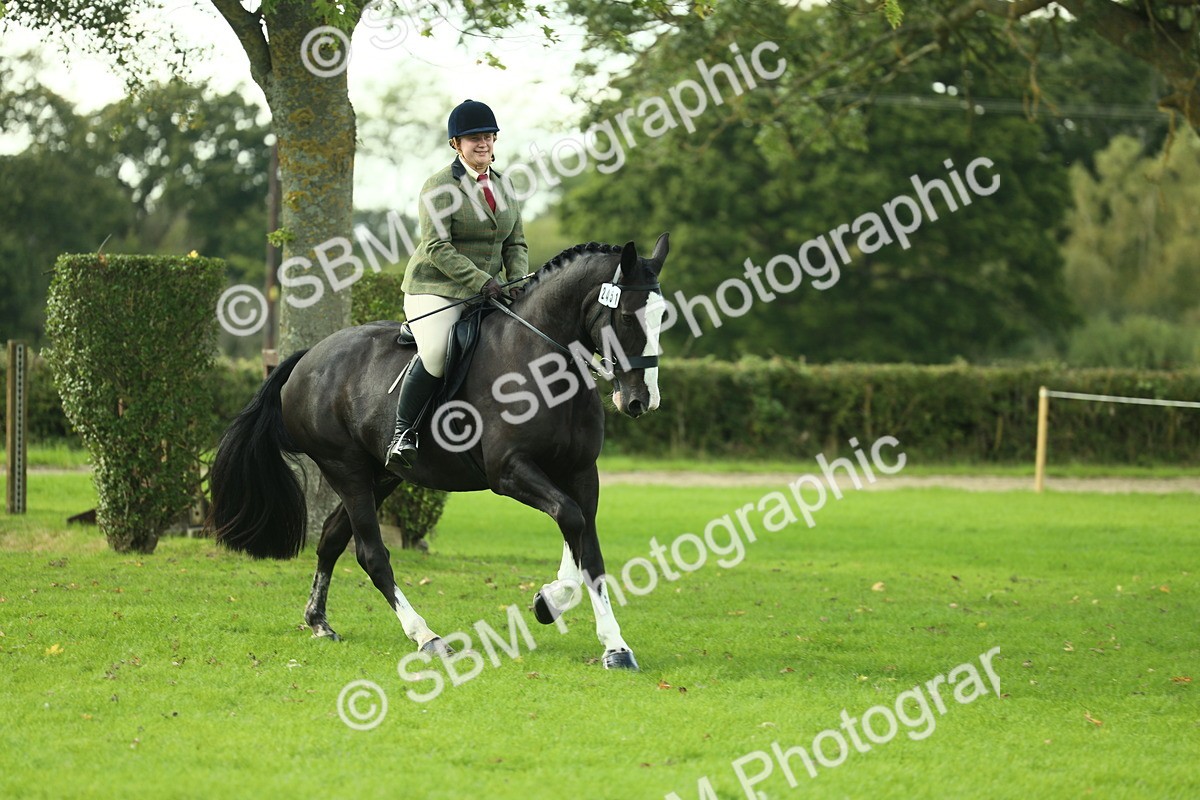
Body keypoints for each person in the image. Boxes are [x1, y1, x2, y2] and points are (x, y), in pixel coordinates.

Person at [386, 99, 530, 468]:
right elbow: (436, 247)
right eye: (473, 138)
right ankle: (403, 432)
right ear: (456, 144)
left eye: (487, 136)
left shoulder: (505, 186)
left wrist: (517, 285)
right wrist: (483, 280)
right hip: (435, 289)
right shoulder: (438, 186)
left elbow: (516, 243)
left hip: (489, 290)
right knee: (435, 351)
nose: (482, 143)